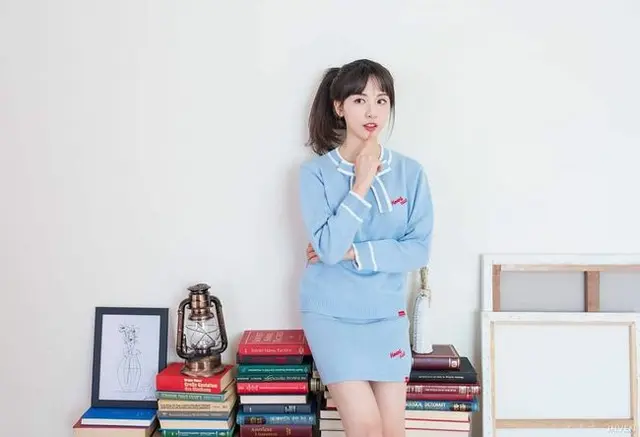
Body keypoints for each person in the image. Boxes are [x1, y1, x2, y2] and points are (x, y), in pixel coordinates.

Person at [297, 58, 434, 437]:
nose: (373, 111)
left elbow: (418, 250)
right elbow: (328, 250)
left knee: (393, 431)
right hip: (332, 315)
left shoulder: (411, 173)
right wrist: (362, 182)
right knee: (367, 428)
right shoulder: (314, 174)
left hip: (386, 316)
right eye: (360, 100)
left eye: (381, 100)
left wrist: (354, 252)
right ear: (339, 107)